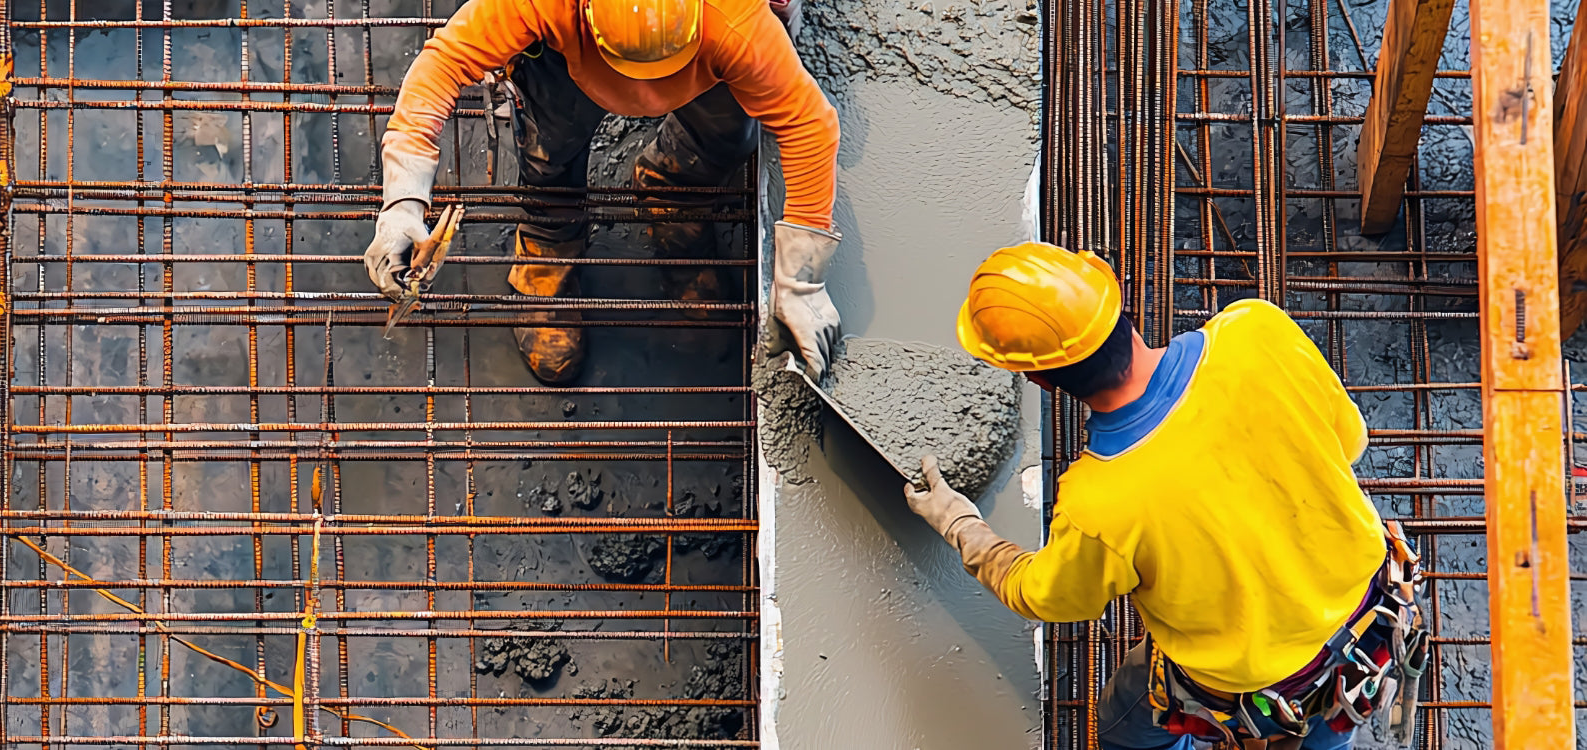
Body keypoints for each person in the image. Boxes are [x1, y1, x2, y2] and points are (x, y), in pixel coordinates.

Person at [904, 242, 1429, 749]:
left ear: (1038, 379)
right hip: (1372, 621)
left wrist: (962, 527)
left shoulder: (1099, 503)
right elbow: (1350, 441)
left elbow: (1043, 596)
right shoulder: (1258, 330)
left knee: (1120, 728)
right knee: (1334, 720)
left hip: (1257, 685)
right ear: (1117, 303)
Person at [361, 0, 842, 384]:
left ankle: (674, 199)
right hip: (570, 57)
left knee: (730, 131)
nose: (645, 93)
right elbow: (444, 63)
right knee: (549, 145)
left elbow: (807, 123)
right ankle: (547, 244)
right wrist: (403, 203)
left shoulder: (735, 18)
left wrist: (801, 284)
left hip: (710, 48)